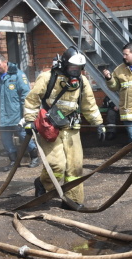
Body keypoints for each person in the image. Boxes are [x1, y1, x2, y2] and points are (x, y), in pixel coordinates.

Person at [23, 47, 106, 211]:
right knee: (57, 165)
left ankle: (71, 200)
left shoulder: (82, 82)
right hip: (50, 129)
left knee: (75, 167)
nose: (75, 72)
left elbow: (89, 104)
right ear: (64, 65)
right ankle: (42, 183)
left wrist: (99, 124)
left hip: (72, 128)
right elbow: (32, 99)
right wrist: (29, 120)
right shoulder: (48, 77)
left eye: (78, 69)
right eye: (72, 68)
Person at [0, 55, 39, 172]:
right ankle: (14, 161)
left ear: (5, 63)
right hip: (3, 116)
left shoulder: (18, 75)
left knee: (24, 136)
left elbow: (25, 95)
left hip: (16, 115)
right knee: (5, 139)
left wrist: (26, 114)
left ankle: (34, 157)